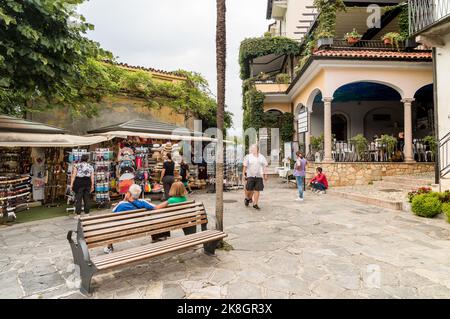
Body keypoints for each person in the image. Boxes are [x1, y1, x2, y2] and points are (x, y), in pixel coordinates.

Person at [104, 184, 169, 254]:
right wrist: (168, 201)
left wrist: (124, 200)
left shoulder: (121, 205)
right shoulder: (143, 202)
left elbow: (112, 216)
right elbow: (156, 207)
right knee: (151, 217)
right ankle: (156, 237)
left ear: (129, 193)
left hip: (123, 229)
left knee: (112, 225)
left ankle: (109, 247)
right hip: (140, 227)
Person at [243, 144, 268, 210]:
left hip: (259, 176)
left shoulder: (262, 157)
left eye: (254, 148)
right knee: (249, 189)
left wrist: (265, 174)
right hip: (250, 175)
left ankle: (255, 203)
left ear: (257, 149)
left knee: (257, 189)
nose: (252, 150)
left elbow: (264, 166)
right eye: (252, 149)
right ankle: (248, 198)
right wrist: (243, 174)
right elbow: (245, 166)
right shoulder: (248, 157)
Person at [70, 154, 94, 218]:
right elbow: (92, 177)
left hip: (79, 182)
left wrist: (71, 184)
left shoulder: (77, 165)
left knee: (78, 199)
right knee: (87, 198)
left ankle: (78, 214)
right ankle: (87, 213)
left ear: (81, 159)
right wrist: (92, 185)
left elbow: (73, 176)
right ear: (87, 159)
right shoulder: (90, 166)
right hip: (87, 182)